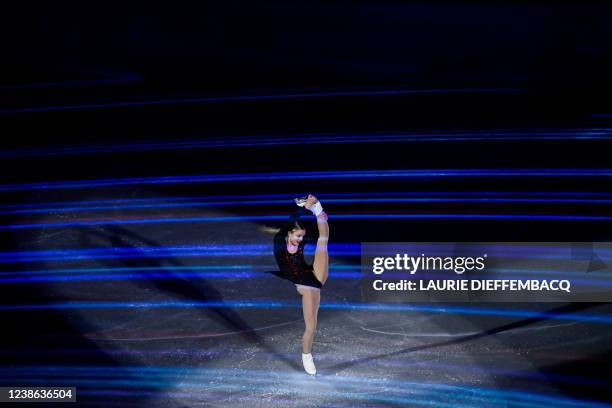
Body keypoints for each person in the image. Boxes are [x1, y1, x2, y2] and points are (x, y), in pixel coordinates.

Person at [272, 194, 329, 375]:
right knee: (311, 327)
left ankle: (318, 209)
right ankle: (306, 354)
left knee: (323, 240)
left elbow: (319, 232)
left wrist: (315, 214)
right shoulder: (280, 241)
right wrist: (302, 208)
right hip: (302, 283)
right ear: (288, 233)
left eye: (302, 237)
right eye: (298, 236)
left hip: (311, 275)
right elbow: (292, 220)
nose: (300, 240)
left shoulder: (299, 238)